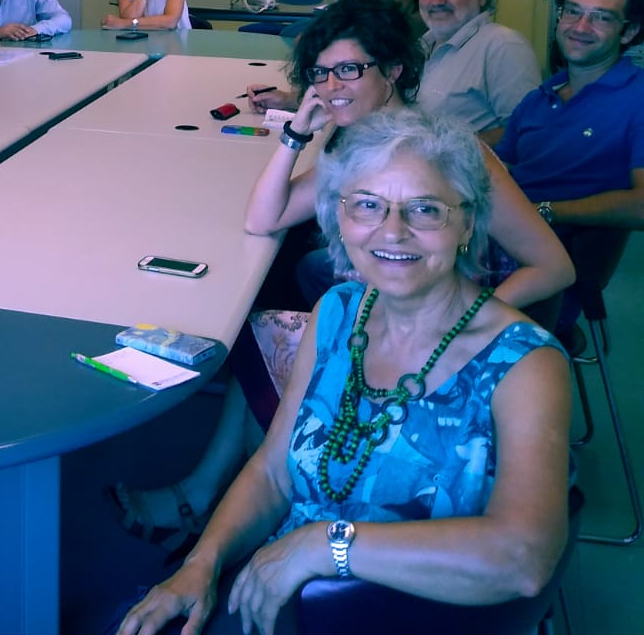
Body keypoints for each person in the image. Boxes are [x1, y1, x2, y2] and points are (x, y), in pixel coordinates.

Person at [111, 0, 572, 550]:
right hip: (383, 318)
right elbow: (266, 217)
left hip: (441, 336)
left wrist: (465, 328)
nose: (332, 86)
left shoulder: (452, 155)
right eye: (320, 74)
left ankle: (217, 500)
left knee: (265, 334)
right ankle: (222, 498)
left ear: (394, 69)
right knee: (265, 330)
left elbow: (554, 266)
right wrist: (296, 133)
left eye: (349, 69)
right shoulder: (353, 144)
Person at [116, 109, 572, 635]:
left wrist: (326, 545)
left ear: (467, 222)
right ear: (340, 216)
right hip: (282, 590)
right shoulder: (338, 312)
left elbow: (523, 558)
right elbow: (273, 470)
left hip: (412, 616)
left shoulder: (525, 363)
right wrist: (202, 563)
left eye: (424, 209)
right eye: (368, 205)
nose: (392, 231)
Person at [496, 0, 644, 329]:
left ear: (628, 32)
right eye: (572, 11)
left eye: (601, 17)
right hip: (490, 243)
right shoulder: (540, 97)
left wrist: (545, 210)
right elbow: (499, 169)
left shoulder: (637, 98)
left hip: (546, 273)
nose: (580, 26)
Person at [414, 0, 540, 145]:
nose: (437, 0)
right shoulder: (420, 47)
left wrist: (452, 149)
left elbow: (527, 130)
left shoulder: (502, 45)